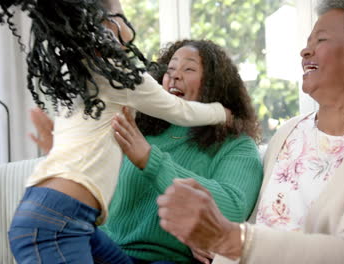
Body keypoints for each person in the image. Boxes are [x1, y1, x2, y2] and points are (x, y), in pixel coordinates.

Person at [156, 0, 344, 263]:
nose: (305, 51)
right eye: (307, 43)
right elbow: (253, 223)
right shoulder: (290, 132)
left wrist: (230, 239)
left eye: (321, 40)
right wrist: (210, 237)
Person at [0, 0, 233, 263]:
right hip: (60, 221)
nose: (127, 22)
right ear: (104, 25)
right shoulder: (120, 76)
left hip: (56, 215)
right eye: (121, 15)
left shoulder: (81, 76)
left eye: (188, 69)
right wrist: (222, 112)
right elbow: (180, 110)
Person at [28, 39, 264, 264]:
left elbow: (232, 209)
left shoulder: (236, 146)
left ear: (216, 82)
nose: (175, 76)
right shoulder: (140, 130)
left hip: (168, 259)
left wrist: (151, 160)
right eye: (170, 69)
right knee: (48, 225)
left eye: (189, 69)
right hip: (111, 251)